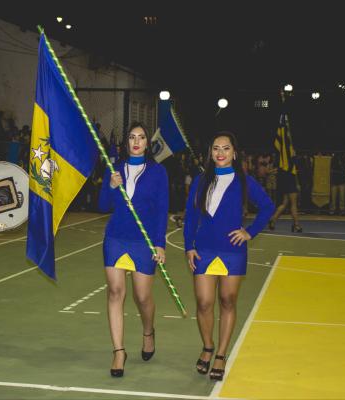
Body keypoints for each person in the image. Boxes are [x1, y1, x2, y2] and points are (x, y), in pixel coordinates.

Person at [184, 131, 273, 381]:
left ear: (234, 153)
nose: (220, 152)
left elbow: (268, 206)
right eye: (216, 148)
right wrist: (189, 246)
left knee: (227, 301)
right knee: (204, 302)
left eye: (225, 148)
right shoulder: (201, 180)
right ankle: (208, 346)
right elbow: (191, 215)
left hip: (232, 250)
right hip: (204, 249)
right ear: (210, 153)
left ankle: (221, 354)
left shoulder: (244, 181)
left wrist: (250, 232)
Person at [98, 122, 168, 378]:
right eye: (132, 137)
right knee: (115, 292)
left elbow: (162, 210)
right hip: (116, 237)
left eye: (141, 137)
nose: (136, 141)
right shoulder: (114, 168)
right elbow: (102, 206)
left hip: (144, 241)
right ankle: (119, 351)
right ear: (126, 142)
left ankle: (148, 331)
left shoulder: (158, 172)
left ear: (148, 143)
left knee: (143, 297)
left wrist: (159, 243)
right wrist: (110, 186)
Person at [268, 152, 302, 232]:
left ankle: (273, 220)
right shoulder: (291, 159)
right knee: (293, 204)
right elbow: (295, 171)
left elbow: (279, 170)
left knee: (284, 203)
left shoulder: (282, 160)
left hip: (285, 181)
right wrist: (297, 183)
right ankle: (296, 225)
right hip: (291, 181)